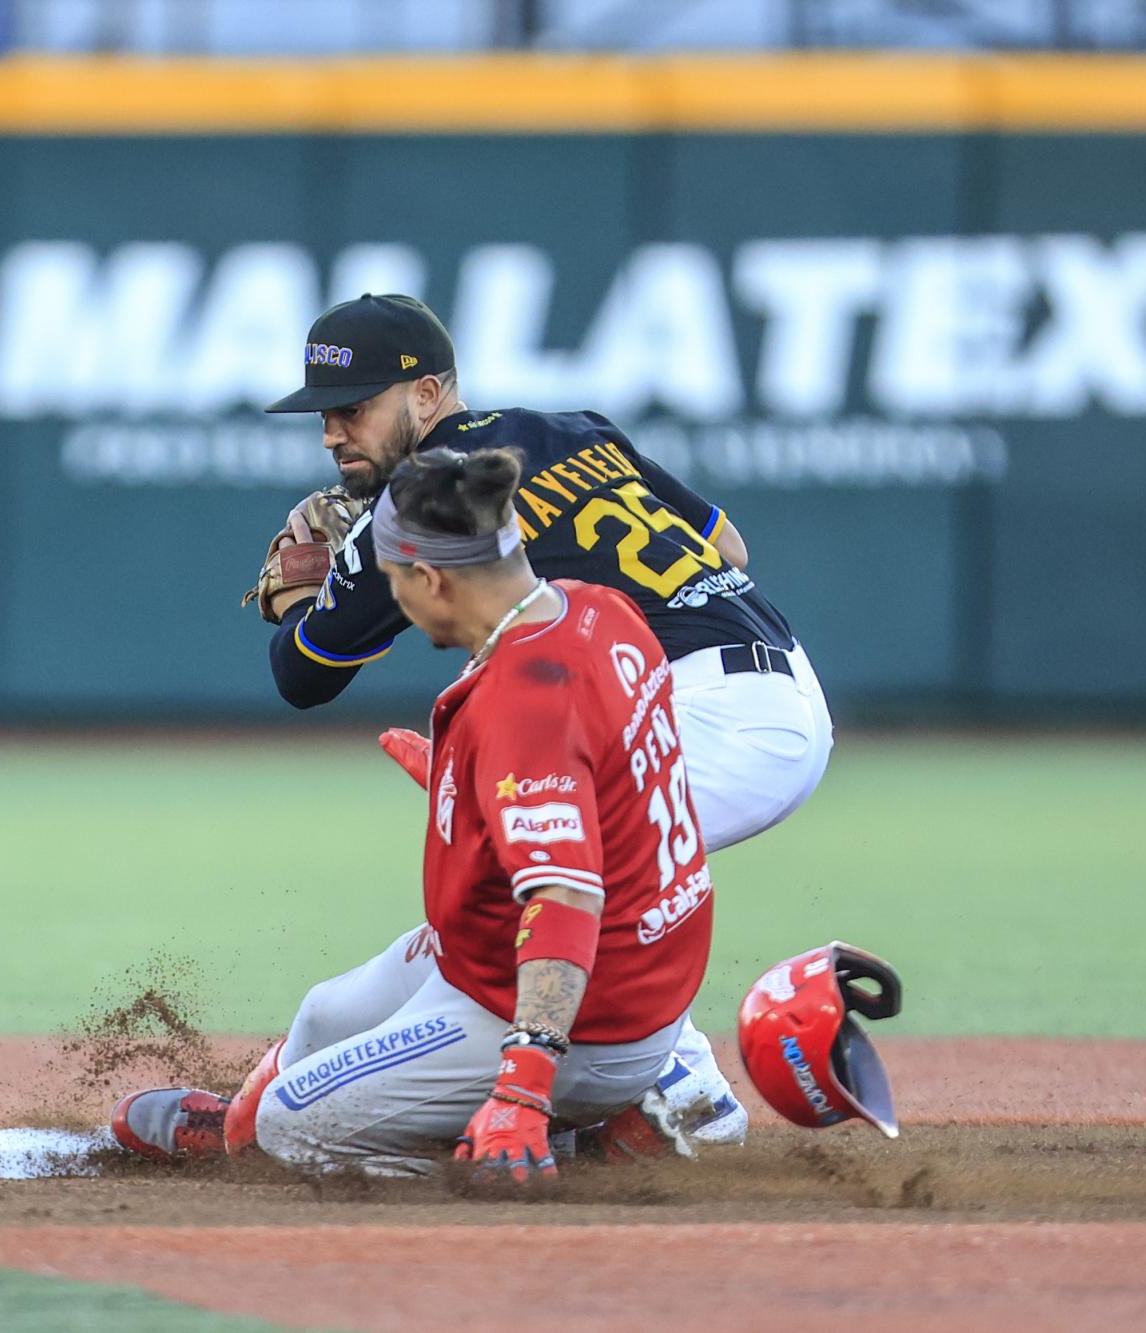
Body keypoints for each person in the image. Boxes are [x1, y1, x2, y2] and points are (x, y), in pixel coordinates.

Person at [241, 293, 835, 1144]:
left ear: (426, 393)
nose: (333, 433)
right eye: (325, 415)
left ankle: (679, 1094)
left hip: (715, 713)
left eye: (352, 409)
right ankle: (626, 1089)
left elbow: (302, 674)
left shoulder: (425, 499)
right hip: (762, 680)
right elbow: (731, 547)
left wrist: (311, 590)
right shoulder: (573, 429)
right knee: (535, 873)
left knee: (569, 875)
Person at [113, 448, 718, 1177]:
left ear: (431, 578)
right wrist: (471, 783)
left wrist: (524, 1083)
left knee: (292, 1128)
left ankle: (527, 1150)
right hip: (556, 964)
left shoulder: (524, 698)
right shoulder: (599, 607)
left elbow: (564, 895)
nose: (394, 600)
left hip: (578, 1016)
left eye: (395, 581)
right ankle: (244, 1126)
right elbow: (605, 781)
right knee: (324, 1016)